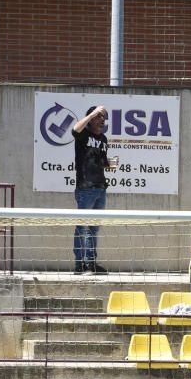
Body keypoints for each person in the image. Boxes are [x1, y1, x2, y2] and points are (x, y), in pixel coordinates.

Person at [72, 105, 114, 274]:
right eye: (99, 116)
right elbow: (75, 129)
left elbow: (102, 161)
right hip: (85, 189)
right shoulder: (83, 134)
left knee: (94, 228)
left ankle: (91, 262)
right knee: (83, 227)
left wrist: (110, 164)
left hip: (100, 188)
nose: (102, 119)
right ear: (90, 118)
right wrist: (91, 115)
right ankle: (81, 265)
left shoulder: (103, 139)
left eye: (104, 117)